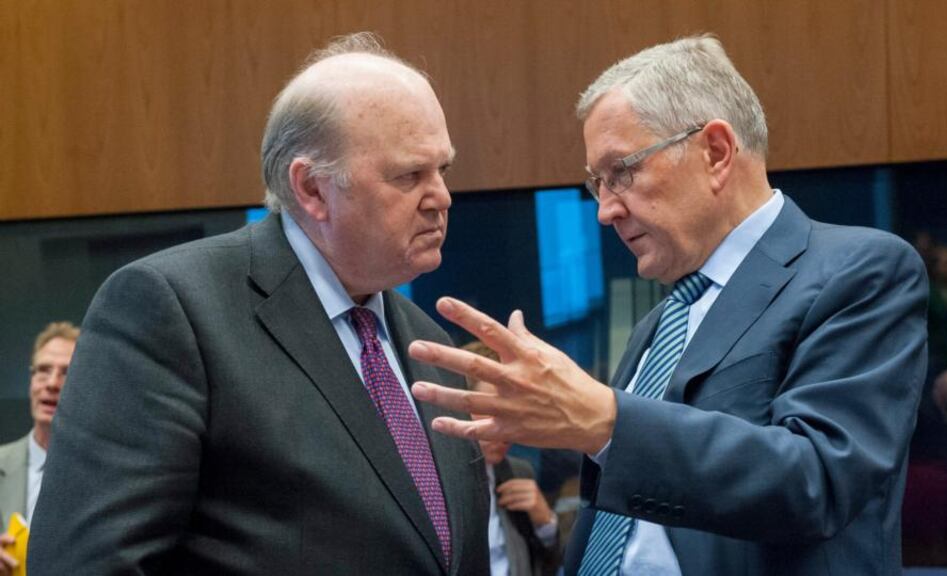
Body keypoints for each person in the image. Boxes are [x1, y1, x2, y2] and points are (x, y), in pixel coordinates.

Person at [408, 34, 928, 575]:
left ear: (716, 153)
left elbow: (819, 479)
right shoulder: (661, 322)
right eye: (597, 184)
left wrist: (604, 420)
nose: (605, 211)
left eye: (622, 172)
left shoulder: (860, 270)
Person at [27, 32, 488, 575]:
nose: (441, 198)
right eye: (410, 174)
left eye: (444, 170)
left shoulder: (431, 347)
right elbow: (88, 564)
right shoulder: (175, 310)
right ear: (313, 189)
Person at [462, 341, 560, 576]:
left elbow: (548, 563)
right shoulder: (430, 479)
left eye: (513, 412)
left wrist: (545, 522)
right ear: (456, 406)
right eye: (492, 409)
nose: (506, 428)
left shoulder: (517, 471)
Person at [0, 322, 78, 576]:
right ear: (31, 379)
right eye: (43, 370)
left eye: (67, 372)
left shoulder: (107, 477)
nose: (52, 383)